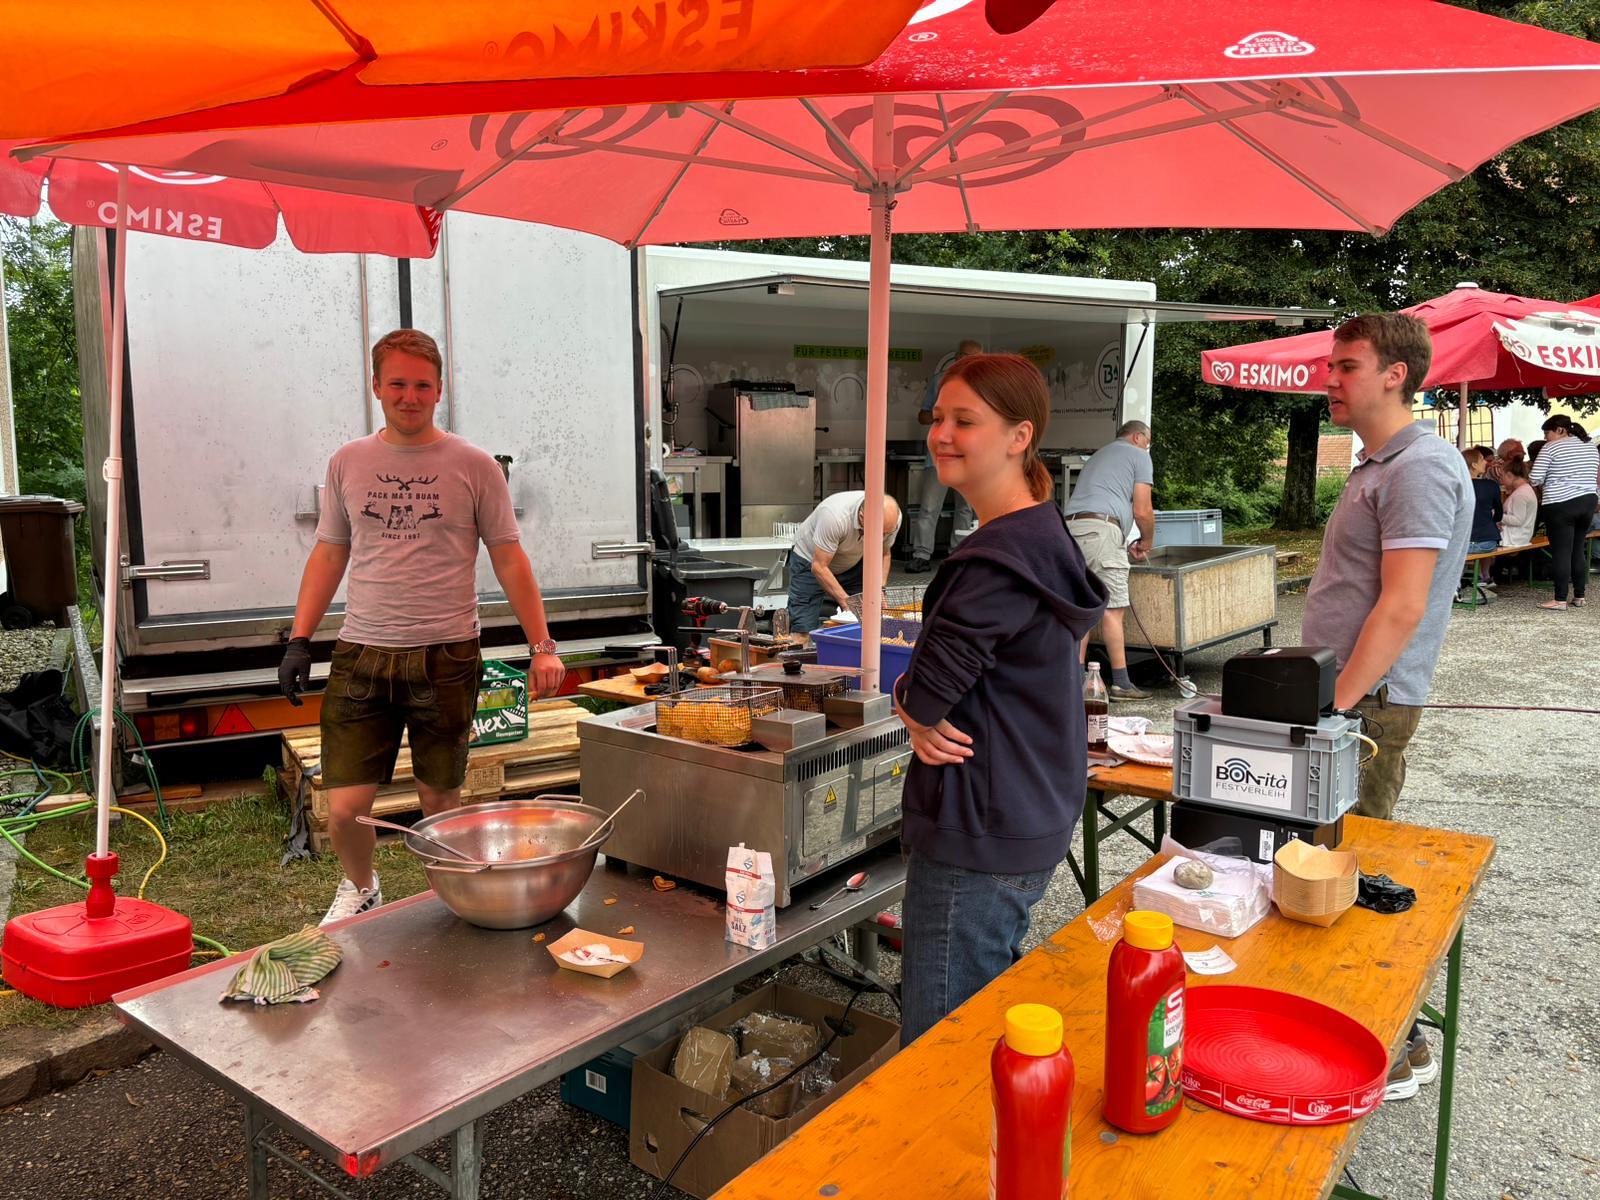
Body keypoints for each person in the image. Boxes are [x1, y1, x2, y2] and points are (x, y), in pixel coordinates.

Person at [277, 329, 565, 926]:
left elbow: (509, 557)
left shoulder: (474, 465)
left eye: (422, 386)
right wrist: (300, 639)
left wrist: (542, 646)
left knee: (440, 800)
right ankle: (362, 887)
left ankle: (454, 897)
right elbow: (329, 551)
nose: (410, 397)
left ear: (439, 389)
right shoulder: (348, 462)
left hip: (446, 657)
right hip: (363, 653)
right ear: (376, 386)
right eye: (398, 384)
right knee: (347, 806)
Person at [891, 354, 1106, 1045]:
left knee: (941, 1046)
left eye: (965, 421)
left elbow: (928, 695)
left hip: (977, 830)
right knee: (984, 1019)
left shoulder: (995, 562)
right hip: (1029, 806)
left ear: (1020, 436)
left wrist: (906, 700)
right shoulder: (1044, 530)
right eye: (937, 418)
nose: (941, 434)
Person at [1301, 313, 1472, 1103]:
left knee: (1352, 875)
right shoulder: (1379, 462)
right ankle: (1355, 1026)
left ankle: (1394, 1050)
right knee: (1323, 868)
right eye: (1330, 366)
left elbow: (1402, 606)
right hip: (1345, 696)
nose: (1329, 379)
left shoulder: (1421, 467)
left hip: (1363, 706)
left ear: (1395, 374)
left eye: (1346, 366)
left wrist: (1332, 708)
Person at [1062, 420, 1156, 700]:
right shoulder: (1138, 455)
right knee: (1112, 611)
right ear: (1137, 437)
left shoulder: (1098, 456)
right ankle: (1122, 683)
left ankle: (1077, 683)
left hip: (1070, 530)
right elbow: (1142, 509)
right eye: (1147, 442)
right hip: (1101, 531)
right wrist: (1147, 541)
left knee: (1082, 608)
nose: (1147, 447)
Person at [907, 339, 983, 572]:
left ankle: (959, 554)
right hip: (940, 455)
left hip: (970, 455)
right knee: (929, 507)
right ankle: (921, 555)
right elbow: (922, 416)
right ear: (958, 357)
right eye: (969, 357)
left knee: (966, 508)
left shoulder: (984, 384)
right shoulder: (941, 381)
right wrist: (944, 415)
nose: (973, 362)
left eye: (978, 358)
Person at [785, 491, 902, 633]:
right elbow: (819, 567)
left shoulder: (893, 519)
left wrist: (879, 588)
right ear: (862, 517)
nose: (882, 538)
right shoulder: (835, 517)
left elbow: (884, 553)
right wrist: (847, 602)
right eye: (879, 532)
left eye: (886, 533)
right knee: (802, 628)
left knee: (866, 623)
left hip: (853, 561)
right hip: (810, 561)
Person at [1528, 413, 1599, 610]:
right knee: (1577, 548)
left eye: (1547, 433)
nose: (1545, 438)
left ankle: (1559, 599)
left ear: (1560, 430)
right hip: (1588, 501)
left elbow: (1534, 478)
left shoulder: (1551, 448)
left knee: (1561, 551)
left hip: (1560, 503)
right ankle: (1580, 596)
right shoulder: (1590, 446)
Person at [1457, 448, 1502, 603]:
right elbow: (1499, 515)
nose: (1486, 462)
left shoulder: (1456, 485)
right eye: (1482, 459)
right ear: (1474, 465)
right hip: (1487, 543)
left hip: (1463, 543)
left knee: (1455, 552)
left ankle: (1456, 585)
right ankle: (1485, 576)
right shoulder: (1491, 485)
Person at [1499, 458, 1538, 549]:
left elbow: (1518, 520)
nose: (1501, 480)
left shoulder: (1521, 494)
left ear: (1509, 475)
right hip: (1519, 537)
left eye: (1502, 476)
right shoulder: (1524, 490)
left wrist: (1497, 515)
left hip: (1513, 539)